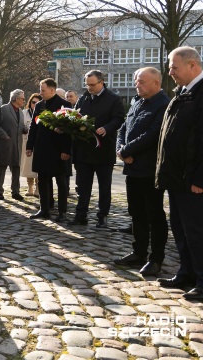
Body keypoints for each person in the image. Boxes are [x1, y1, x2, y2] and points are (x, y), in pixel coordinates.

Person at [156, 46, 203, 300]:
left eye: (174, 66)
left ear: (192, 65)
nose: (170, 71)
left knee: (197, 231)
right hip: (177, 178)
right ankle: (186, 272)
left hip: (193, 180)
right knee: (181, 229)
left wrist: (200, 178)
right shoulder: (182, 93)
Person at [113, 67, 169, 277]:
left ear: (156, 83)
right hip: (132, 167)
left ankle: (156, 259)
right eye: (137, 80)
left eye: (142, 81)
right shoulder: (137, 102)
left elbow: (153, 134)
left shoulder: (163, 105)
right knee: (136, 212)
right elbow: (123, 128)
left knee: (154, 214)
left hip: (149, 168)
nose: (138, 84)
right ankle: (139, 252)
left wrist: (127, 150)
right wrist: (120, 149)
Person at [70, 70, 125, 228]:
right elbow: (76, 116)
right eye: (87, 85)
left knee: (104, 186)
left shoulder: (113, 99)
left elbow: (119, 118)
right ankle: (81, 215)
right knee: (83, 185)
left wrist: (107, 128)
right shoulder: (84, 98)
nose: (89, 88)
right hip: (84, 150)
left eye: (92, 85)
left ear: (101, 82)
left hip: (103, 150)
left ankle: (103, 216)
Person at [26, 78, 72, 221]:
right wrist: (29, 146)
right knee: (43, 181)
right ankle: (44, 210)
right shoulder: (39, 105)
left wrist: (66, 150)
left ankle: (62, 212)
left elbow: (70, 129)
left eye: (43, 90)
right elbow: (33, 127)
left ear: (52, 90)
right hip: (41, 148)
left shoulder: (65, 105)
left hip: (58, 150)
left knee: (61, 182)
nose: (41, 93)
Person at [0, 89, 27, 202]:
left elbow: (19, 125)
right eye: (23, 98)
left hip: (17, 143)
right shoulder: (4, 109)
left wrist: (24, 129)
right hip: (5, 143)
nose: (24, 100)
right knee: (2, 167)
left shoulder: (20, 111)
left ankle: (15, 191)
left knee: (16, 168)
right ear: (17, 99)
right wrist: (3, 135)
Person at [22, 93, 42, 197]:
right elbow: (20, 125)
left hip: (38, 143)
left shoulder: (42, 113)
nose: (35, 104)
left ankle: (38, 188)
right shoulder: (25, 112)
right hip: (26, 142)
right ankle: (29, 187)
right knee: (28, 166)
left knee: (38, 166)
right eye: (33, 102)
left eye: (37, 102)